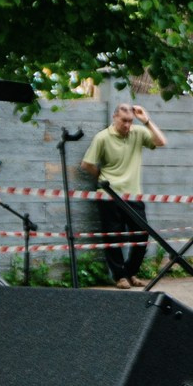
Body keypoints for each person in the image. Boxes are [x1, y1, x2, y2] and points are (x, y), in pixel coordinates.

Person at [78, 101, 167, 287]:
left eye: (130, 121)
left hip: (133, 194)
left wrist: (146, 120)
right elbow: (86, 164)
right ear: (114, 117)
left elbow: (161, 142)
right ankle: (120, 277)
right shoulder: (102, 137)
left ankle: (130, 272)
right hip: (109, 195)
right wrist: (102, 177)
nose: (127, 125)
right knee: (113, 237)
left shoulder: (138, 132)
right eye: (123, 121)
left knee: (142, 234)